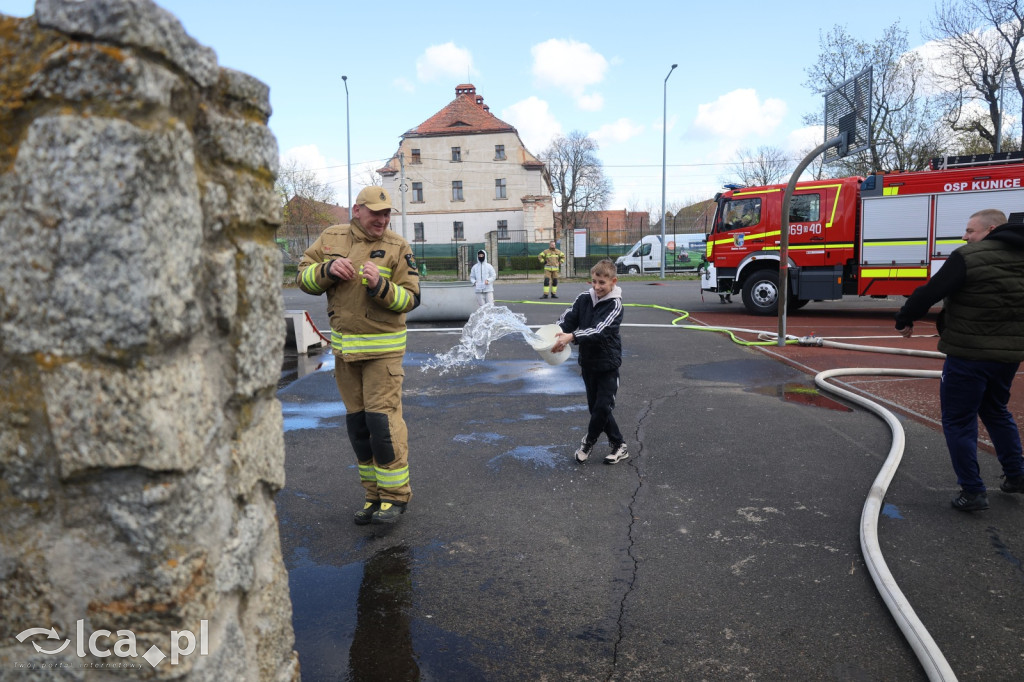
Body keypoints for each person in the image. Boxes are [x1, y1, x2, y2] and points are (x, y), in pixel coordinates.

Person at [297, 186, 421, 525]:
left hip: (383, 354)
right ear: (357, 210)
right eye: (376, 212)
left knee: (382, 425)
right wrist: (326, 270)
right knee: (359, 427)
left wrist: (380, 287)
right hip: (345, 354)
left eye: (387, 214)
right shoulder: (330, 238)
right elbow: (302, 276)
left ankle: (395, 498)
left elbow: (411, 298)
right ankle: (373, 496)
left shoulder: (397, 247)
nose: (382, 219)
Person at [894, 208, 1024, 512]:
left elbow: (930, 292)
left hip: (968, 354)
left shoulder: (968, 257)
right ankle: (1017, 475)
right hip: (1008, 357)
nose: (965, 237)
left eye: (970, 231)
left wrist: (904, 318)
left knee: (958, 420)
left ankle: (972, 491)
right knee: (996, 410)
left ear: (991, 230)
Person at [551, 258, 628, 465]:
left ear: (613, 281)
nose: (597, 287)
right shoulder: (584, 298)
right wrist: (557, 334)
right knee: (596, 409)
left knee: (603, 407)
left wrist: (572, 337)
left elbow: (599, 330)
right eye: (593, 281)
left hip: (608, 364)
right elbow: (567, 318)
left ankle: (588, 442)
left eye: (602, 283)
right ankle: (619, 444)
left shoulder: (615, 305)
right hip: (588, 364)